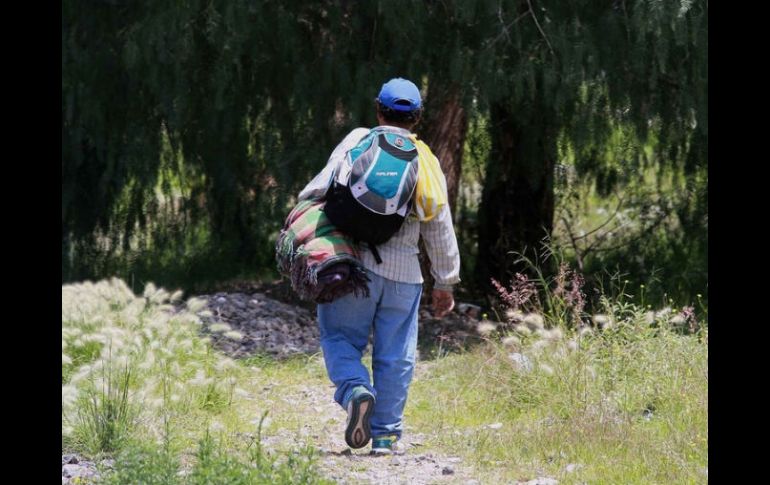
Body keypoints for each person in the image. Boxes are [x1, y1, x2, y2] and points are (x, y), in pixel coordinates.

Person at [297, 77, 460, 455]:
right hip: (404, 276)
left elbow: (317, 190)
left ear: (378, 110)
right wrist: (445, 282)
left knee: (339, 338)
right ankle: (386, 436)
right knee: (396, 355)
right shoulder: (425, 160)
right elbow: (439, 225)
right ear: (417, 118)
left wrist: (305, 234)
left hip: (352, 267)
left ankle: (356, 389)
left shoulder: (358, 140)